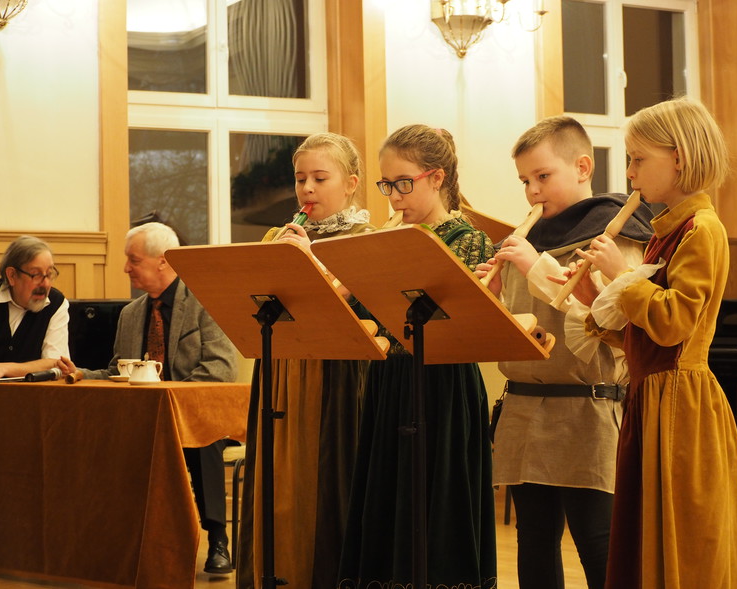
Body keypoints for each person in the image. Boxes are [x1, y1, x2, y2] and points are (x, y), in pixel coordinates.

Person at [567, 97, 737, 588]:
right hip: (652, 395)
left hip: (681, 404)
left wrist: (623, 274)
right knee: (643, 537)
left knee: (686, 539)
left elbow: (674, 325)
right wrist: (596, 294)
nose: (629, 173)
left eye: (637, 159)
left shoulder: (703, 230)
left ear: (678, 158)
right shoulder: (665, 231)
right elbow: (642, 335)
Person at [478, 116, 654, 589]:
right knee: (534, 539)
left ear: (581, 167)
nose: (532, 192)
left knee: (598, 539)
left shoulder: (617, 234)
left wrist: (537, 267)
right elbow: (519, 327)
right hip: (525, 406)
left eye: (543, 176)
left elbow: (610, 321)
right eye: (525, 181)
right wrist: (489, 297)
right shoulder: (525, 241)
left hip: (588, 407)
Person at [337, 124, 497, 589]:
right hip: (391, 380)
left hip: (442, 385)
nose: (393, 197)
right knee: (387, 493)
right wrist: (349, 282)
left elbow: (459, 327)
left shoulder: (468, 241)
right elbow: (367, 317)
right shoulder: (389, 240)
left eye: (403, 184)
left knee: (436, 498)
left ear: (436, 177)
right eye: (386, 185)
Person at [237, 132, 374, 589]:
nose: (307, 189)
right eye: (300, 179)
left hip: (333, 373)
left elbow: (348, 310)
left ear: (351, 183)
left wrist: (307, 261)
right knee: (276, 479)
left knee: (325, 481)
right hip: (280, 371)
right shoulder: (278, 235)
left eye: (320, 177)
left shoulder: (365, 237)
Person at [63, 222, 239, 575]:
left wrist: (171, 402)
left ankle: (217, 540)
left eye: (133, 260)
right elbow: (119, 370)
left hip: (198, 415)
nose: (126, 268)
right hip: (146, 417)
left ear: (163, 261)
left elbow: (220, 370)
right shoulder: (130, 315)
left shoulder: (206, 301)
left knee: (203, 441)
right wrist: (82, 374)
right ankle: (116, 541)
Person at [0, 235, 74, 379]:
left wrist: (4, 368)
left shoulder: (56, 304)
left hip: (35, 397)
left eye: (49, 274)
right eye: (36, 275)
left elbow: (57, 365)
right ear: (12, 275)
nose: (45, 284)